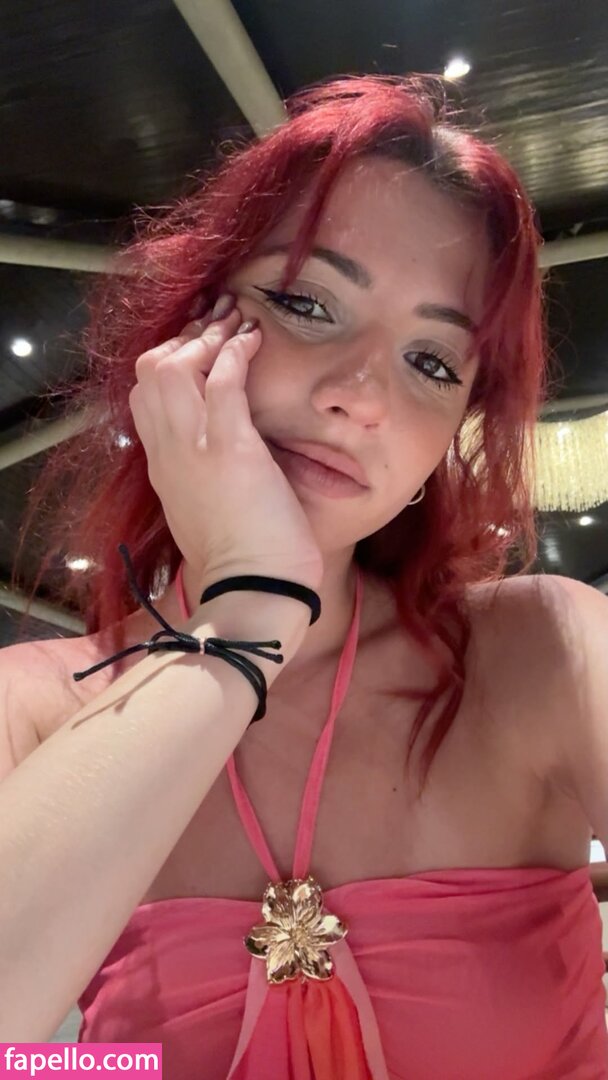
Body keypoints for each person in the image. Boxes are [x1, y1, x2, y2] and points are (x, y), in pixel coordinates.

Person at [2, 74, 607, 1077]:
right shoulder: (36, 709)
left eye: (431, 363)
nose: (361, 396)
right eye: (306, 304)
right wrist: (247, 605)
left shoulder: (545, 652)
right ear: (186, 334)